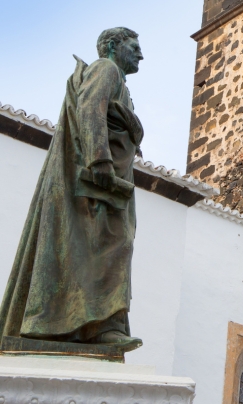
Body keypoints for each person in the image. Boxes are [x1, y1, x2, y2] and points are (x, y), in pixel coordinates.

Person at [0, 27, 145, 352]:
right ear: (112, 46)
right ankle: (103, 326)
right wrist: (101, 161)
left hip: (112, 182)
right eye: (134, 46)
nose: (141, 54)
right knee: (112, 243)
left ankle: (97, 325)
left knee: (107, 245)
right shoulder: (105, 69)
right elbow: (91, 108)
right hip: (101, 182)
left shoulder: (119, 82)